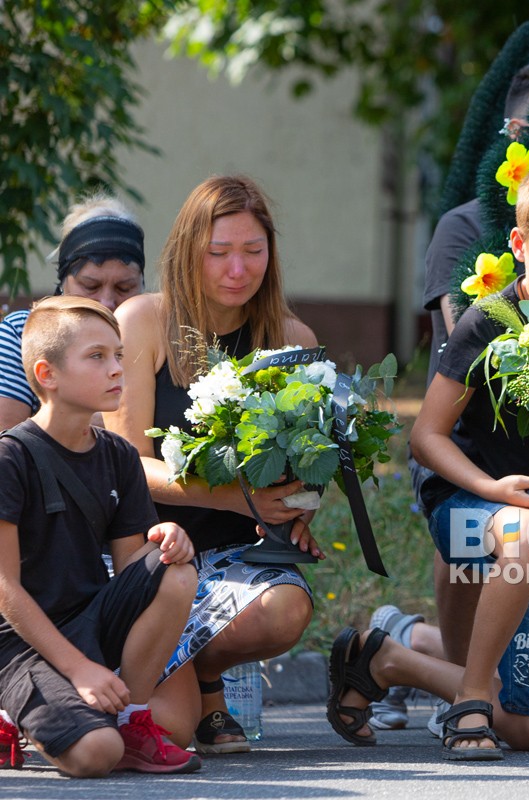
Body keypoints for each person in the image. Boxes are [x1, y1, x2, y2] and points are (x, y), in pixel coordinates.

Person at [327, 160, 529, 761]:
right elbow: (426, 437)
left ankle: (391, 655)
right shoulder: (490, 321)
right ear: (519, 243)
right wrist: (493, 487)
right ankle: (470, 698)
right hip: (472, 498)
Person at [106, 176, 322, 754]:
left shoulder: (291, 337)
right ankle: (200, 697)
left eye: (253, 251)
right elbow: (127, 465)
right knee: (171, 731)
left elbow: (305, 462)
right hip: (152, 551)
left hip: (238, 553)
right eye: (218, 252)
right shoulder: (144, 321)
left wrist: (299, 511)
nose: (237, 269)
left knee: (287, 611)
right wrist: (229, 497)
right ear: (187, 251)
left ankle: (203, 678)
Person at [369, 59, 529, 734]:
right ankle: (430, 666)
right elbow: (474, 365)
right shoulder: (466, 226)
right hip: (473, 455)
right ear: (512, 130)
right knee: (510, 704)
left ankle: (405, 648)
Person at [0, 296, 199, 775]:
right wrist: (78, 669)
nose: (117, 370)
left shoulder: (119, 456)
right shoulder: (11, 459)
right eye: (97, 357)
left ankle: (133, 719)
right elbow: (4, 589)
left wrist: (167, 538)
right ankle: (11, 711)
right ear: (46, 374)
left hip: (91, 620)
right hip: (22, 644)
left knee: (175, 570)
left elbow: (133, 570)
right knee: (95, 754)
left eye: (117, 356)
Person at [0, 193, 146, 431]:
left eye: (124, 287)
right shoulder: (20, 334)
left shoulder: (157, 337)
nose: (106, 302)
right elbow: (4, 440)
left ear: (142, 284)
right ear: (63, 282)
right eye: (90, 286)